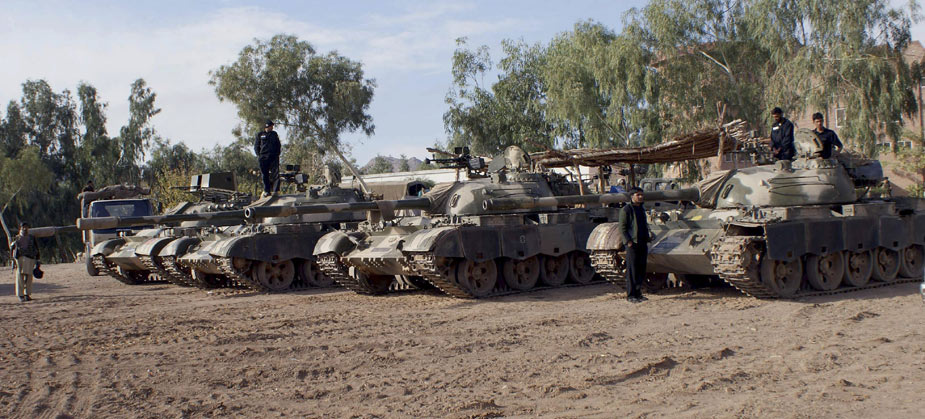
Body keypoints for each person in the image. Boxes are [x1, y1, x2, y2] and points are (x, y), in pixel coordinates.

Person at [619, 187, 649, 303]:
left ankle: (638, 293)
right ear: (632, 196)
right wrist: (628, 241)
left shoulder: (641, 208)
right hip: (633, 243)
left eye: (642, 195)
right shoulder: (626, 209)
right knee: (632, 270)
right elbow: (622, 227)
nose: (640, 197)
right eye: (638, 195)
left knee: (641, 269)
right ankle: (631, 295)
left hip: (642, 242)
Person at [10, 222, 39, 302]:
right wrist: (12, 260)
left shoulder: (32, 238)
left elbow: (36, 248)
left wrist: (38, 259)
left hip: (30, 258)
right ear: (20, 228)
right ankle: (20, 295)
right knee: (20, 276)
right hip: (20, 258)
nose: (25, 228)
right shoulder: (16, 238)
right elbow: (12, 249)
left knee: (29, 276)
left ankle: (27, 294)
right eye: (23, 227)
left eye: (26, 227)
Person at [254, 119, 281, 197]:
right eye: (271, 126)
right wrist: (259, 155)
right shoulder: (260, 134)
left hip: (273, 156)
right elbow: (256, 146)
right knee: (265, 174)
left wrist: (277, 154)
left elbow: (278, 145)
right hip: (263, 157)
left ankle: (275, 190)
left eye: (272, 126)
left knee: (275, 174)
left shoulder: (274, 134)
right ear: (267, 126)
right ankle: (267, 190)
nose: (272, 128)